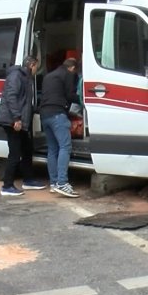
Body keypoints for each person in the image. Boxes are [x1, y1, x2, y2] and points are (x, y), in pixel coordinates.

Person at [0, 55, 45, 196]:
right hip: (11, 121)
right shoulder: (16, 76)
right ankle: (7, 186)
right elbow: (11, 97)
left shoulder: (25, 77)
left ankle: (28, 180)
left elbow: (24, 101)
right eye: (36, 67)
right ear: (31, 65)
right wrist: (16, 118)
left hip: (18, 120)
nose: (36, 70)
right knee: (15, 153)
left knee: (27, 150)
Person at [38, 58, 81, 198]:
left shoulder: (49, 75)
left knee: (52, 149)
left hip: (44, 115)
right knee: (65, 146)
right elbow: (69, 95)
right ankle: (62, 183)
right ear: (72, 68)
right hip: (57, 114)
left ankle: (54, 183)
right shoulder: (68, 74)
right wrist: (82, 99)